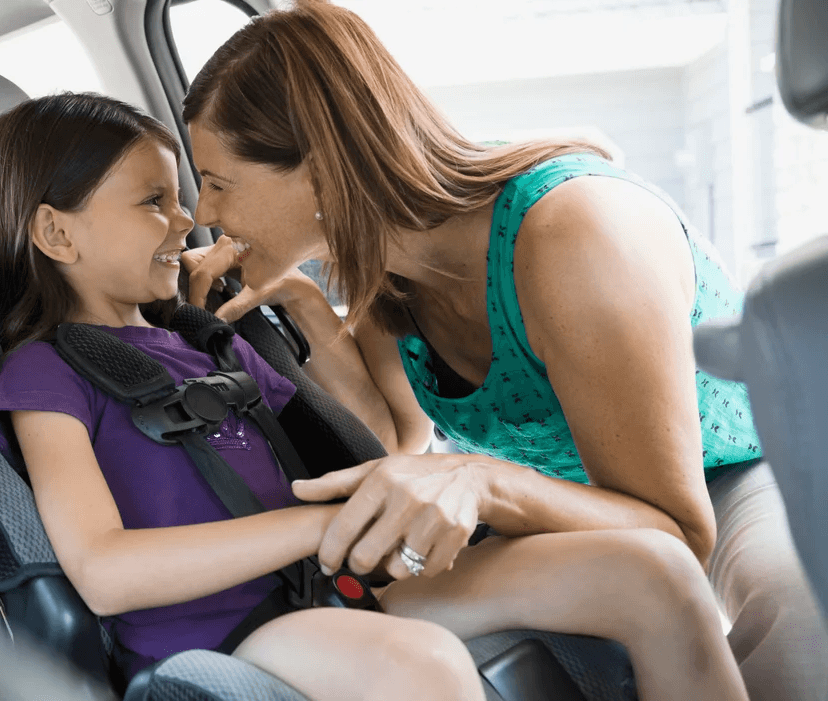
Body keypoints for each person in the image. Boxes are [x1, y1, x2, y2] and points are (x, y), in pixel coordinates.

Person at [0, 92, 747, 701]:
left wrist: (306, 313)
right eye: (154, 202)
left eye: (188, 193)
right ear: (56, 232)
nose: (189, 219)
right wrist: (309, 528)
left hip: (343, 583)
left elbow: (377, 439)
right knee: (423, 667)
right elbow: (104, 570)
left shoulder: (204, 342)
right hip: (238, 627)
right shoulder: (45, 375)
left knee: (654, 572)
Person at [177, 2, 828, 699]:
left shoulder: (575, 234)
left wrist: (485, 479)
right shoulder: (385, 264)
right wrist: (304, 308)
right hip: (557, 501)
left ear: (322, 170)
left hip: (728, 477)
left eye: (218, 183)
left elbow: (674, 534)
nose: (204, 214)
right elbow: (396, 438)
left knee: (800, 626)